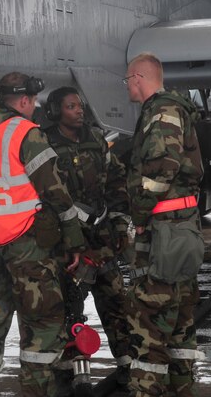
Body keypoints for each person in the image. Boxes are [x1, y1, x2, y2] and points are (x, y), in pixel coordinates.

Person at [0, 72, 86, 397]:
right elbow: (55, 191)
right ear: (23, 101)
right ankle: (37, 391)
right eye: (32, 103)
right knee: (42, 324)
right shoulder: (24, 132)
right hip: (26, 246)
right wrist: (74, 238)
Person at [123, 53, 205, 397]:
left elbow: (160, 170)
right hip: (181, 228)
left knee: (148, 327)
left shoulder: (161, 113)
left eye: (127, 80)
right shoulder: (171, 110)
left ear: (138, 78)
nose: (127, 86)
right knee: (182, 324)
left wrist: (139, 218)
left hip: (163, 233)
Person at [42, 86, 133, 390]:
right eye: (71, 107)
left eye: (79, 106)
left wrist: (120, 223)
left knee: (116, 302)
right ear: (56, 112)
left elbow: (118, 180)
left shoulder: (96, 140)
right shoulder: (44, 144)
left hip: (103, 240)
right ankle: (72, 371)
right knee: (69, 311)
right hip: (67, 246)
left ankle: (127, 364)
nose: (79, 111)